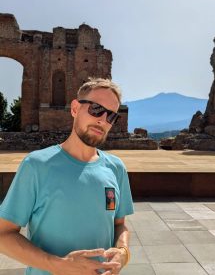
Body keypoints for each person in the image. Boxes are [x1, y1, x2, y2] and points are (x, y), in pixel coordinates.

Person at [0, 77, 134, 275]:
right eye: (96, 109)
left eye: (111, 116)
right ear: (74, 108)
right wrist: (58, 264)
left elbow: (119, 224)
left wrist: (123, 251)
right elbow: (3, 234)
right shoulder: (36, 166)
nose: (102, 120)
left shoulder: (116, 168)